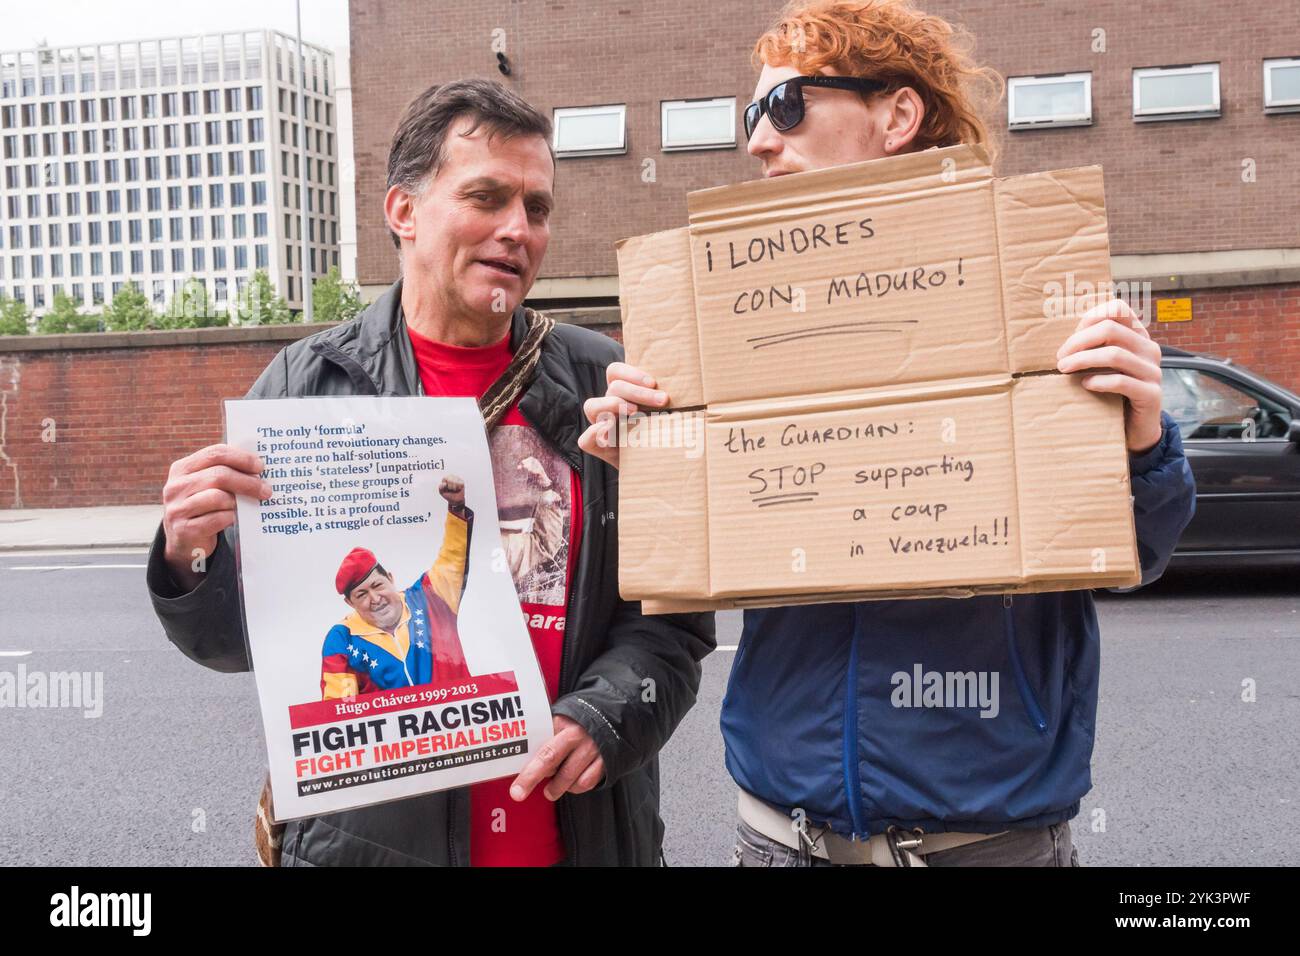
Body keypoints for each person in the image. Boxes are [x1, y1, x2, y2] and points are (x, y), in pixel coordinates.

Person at [579, 0, 1196, 867]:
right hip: (782, 840)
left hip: (985, 847)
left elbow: (1140, 552)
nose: (759, 140)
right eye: (751, 117)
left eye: (786, 106)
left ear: (897, 114)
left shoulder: (1030, 286)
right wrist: (645, 466)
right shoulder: (726, 320)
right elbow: (698, 571)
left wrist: (1139, 441)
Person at [147, 78, 715, 867]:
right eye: (486, 198)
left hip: (578, 839)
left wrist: (606, 717)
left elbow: (673, 623)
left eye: (538, 208)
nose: (518, 230)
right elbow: (239, 643)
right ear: (404, 213)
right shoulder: (308, 383)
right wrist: (187, 553)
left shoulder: (606, 381)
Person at [322, 475, 476, 699]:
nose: (375, 599)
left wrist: (456, 507)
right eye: (362, 594)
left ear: (391, 578)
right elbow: (339, 709)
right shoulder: (341, 639)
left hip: (461, 729)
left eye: (377, 585)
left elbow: (452, 558)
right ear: (349, 602)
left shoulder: (430, 596)